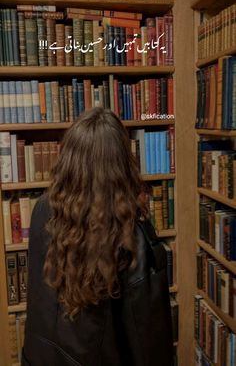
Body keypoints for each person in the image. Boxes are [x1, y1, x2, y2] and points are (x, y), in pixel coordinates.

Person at [22, 107, 174, 366]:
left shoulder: (43, 209)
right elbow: (149, 343)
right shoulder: (132, 237)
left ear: (68, 159)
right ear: (123, 164)